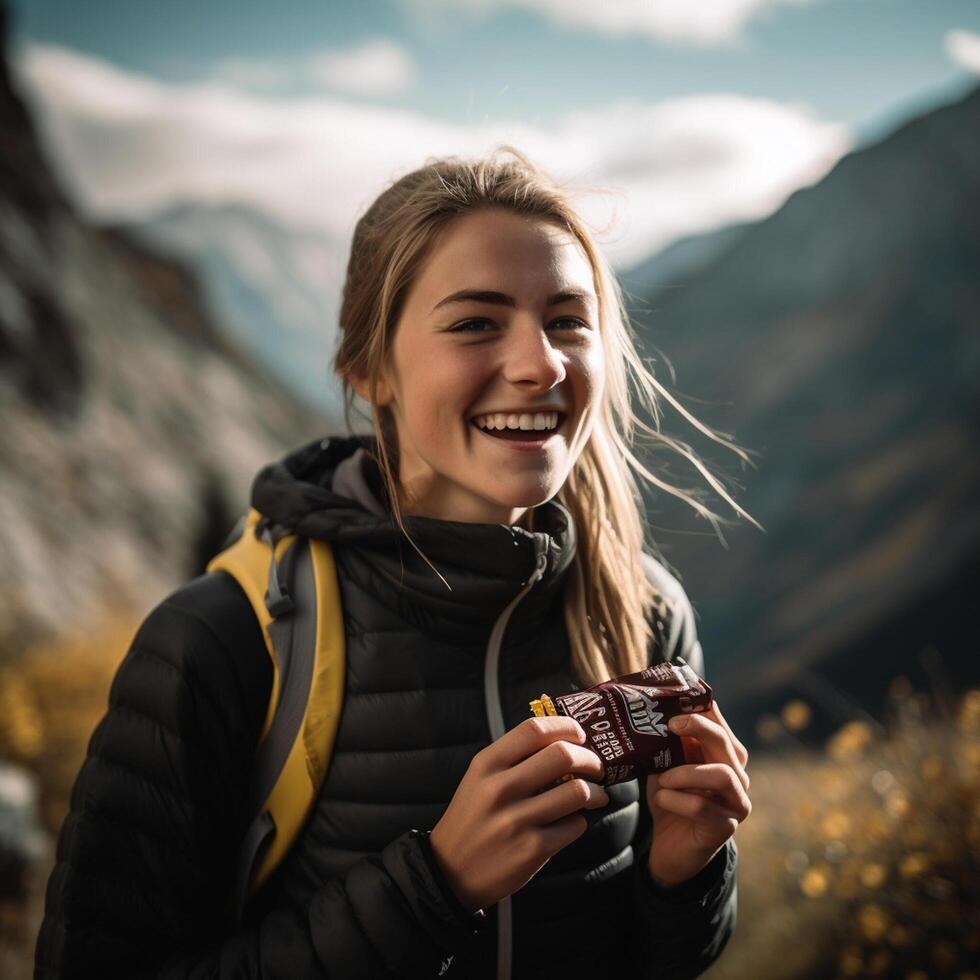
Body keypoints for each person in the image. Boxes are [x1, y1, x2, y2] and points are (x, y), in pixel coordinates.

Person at [34, 146, 753, 979]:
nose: (541, 364)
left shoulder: (646, 612)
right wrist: (431, 888)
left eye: (567, 320)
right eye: (476, 322)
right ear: (369, 367)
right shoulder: (223, 641)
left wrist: (687, 876)